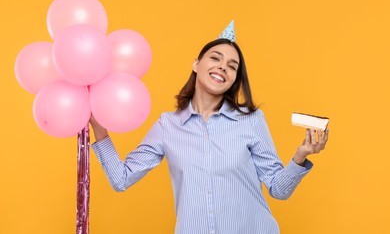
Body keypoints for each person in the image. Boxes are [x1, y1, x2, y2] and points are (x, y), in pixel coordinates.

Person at [90, 20, 329, 234]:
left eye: (232, 66)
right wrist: (99, 130)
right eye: (215, 58)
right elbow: (121, 179)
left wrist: (300, 156)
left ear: (235, 78)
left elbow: (279, 189)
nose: (223, 67)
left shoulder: (251, 121)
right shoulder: (168, 125)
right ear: (196, 64)